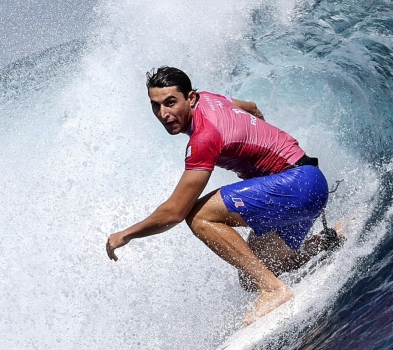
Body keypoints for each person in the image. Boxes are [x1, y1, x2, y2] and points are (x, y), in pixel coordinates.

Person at [106, 66, 340, 325]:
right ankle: (325, 242)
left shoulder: (204, 138)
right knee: (251, 275)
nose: (164, 114)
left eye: (171, 102)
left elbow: (174, 213)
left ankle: (273, 290)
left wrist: (126, 234)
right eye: (156, 106)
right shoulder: (210, 98)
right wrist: (264, 145)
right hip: (309, 181)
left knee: (197, 216)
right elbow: (251, 107)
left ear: (190, 98)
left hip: (297, 185)